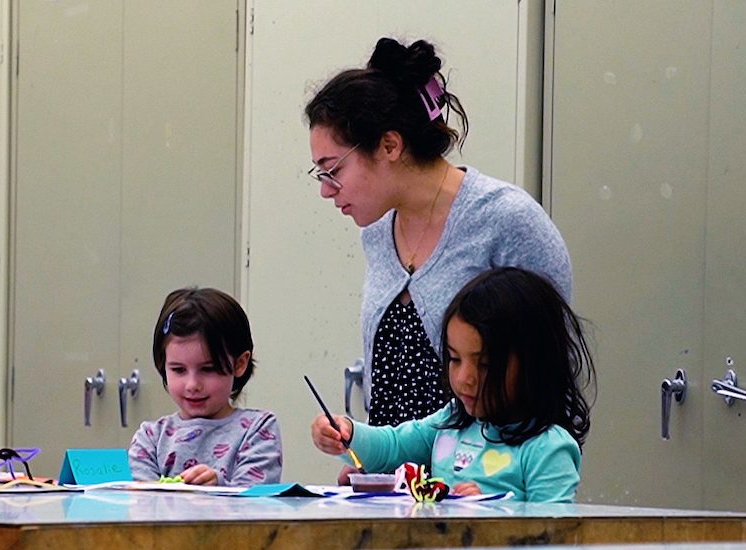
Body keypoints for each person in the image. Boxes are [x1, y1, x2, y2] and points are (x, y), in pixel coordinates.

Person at [304, 37, 573, 432]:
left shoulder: (508, 221)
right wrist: (365, 449)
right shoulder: (378, 231)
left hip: (484, 482)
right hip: (398, 484)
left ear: (390, 145)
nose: (325, 189)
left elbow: (552, 380)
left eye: (333, 170)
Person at [310, 267, 594, 502]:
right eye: (455, 359)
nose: (464, 378)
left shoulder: (548, 448)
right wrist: (347, 433)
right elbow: (393, 447)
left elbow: (557, 536)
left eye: (484, 364)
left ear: (535, 362)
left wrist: (495, 512)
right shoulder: (452, 423)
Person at [128, 287, 282, 486]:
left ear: (240, 363)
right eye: (178, 370)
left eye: (208, 369)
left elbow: (255, 502)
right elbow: (142, 505)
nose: (192, 385)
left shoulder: (258, 428)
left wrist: (219, 487)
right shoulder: (150, 438)